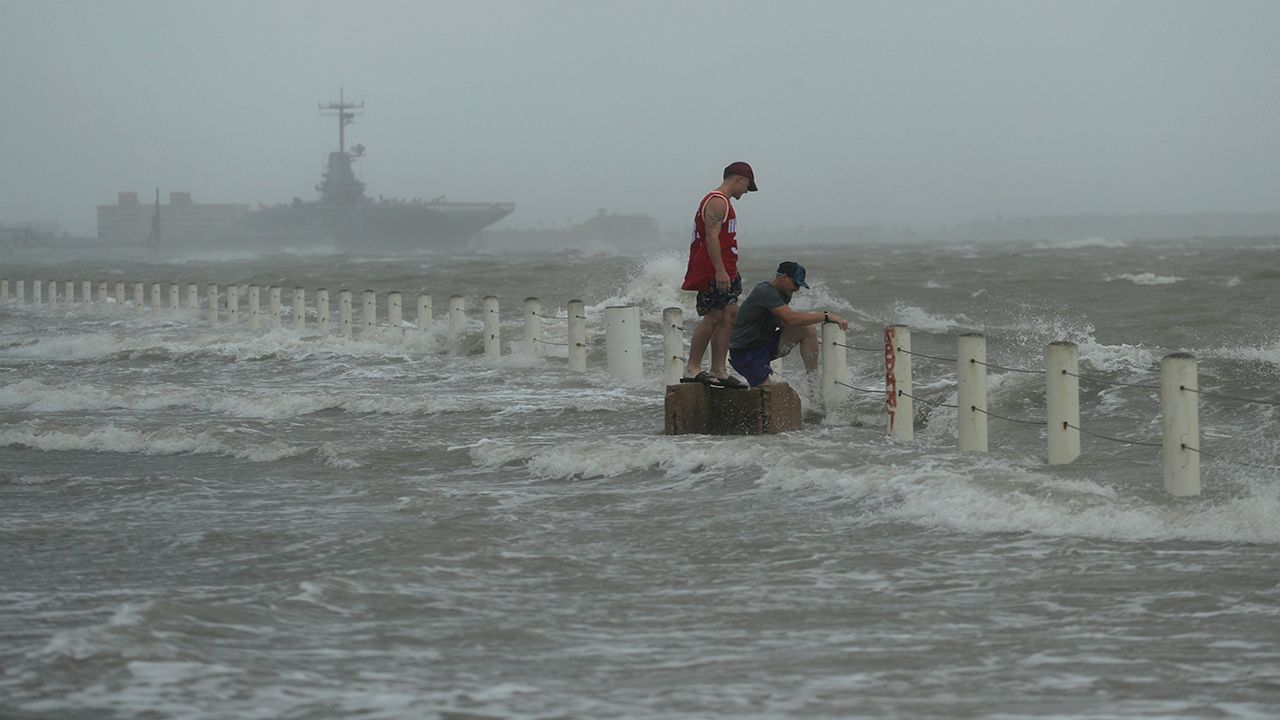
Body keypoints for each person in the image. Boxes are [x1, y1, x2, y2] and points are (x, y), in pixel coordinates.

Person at [679, 161, 757, 389]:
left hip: (728, 269)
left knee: (729, 315)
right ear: (739, 179)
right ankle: (692, 369)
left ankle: (719, 370)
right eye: (747, 186)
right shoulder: (717, 202)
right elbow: (711, 238)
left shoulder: (726, 203)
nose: (745, 192)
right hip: (714, 271)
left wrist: (731, 270)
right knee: (713, 316)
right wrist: (720, 271)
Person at [728, 261, 850, 388]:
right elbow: (791, 319)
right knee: (771, 391)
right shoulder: (765, 291)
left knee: (807, 330)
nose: (797, 289)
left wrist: (809, 341)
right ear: (783, 277)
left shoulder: (785, 293)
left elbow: (783, 322)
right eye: (796, 283)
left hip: (764, 345)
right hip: (745, 352)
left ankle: (813, 383)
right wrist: (826, 315)